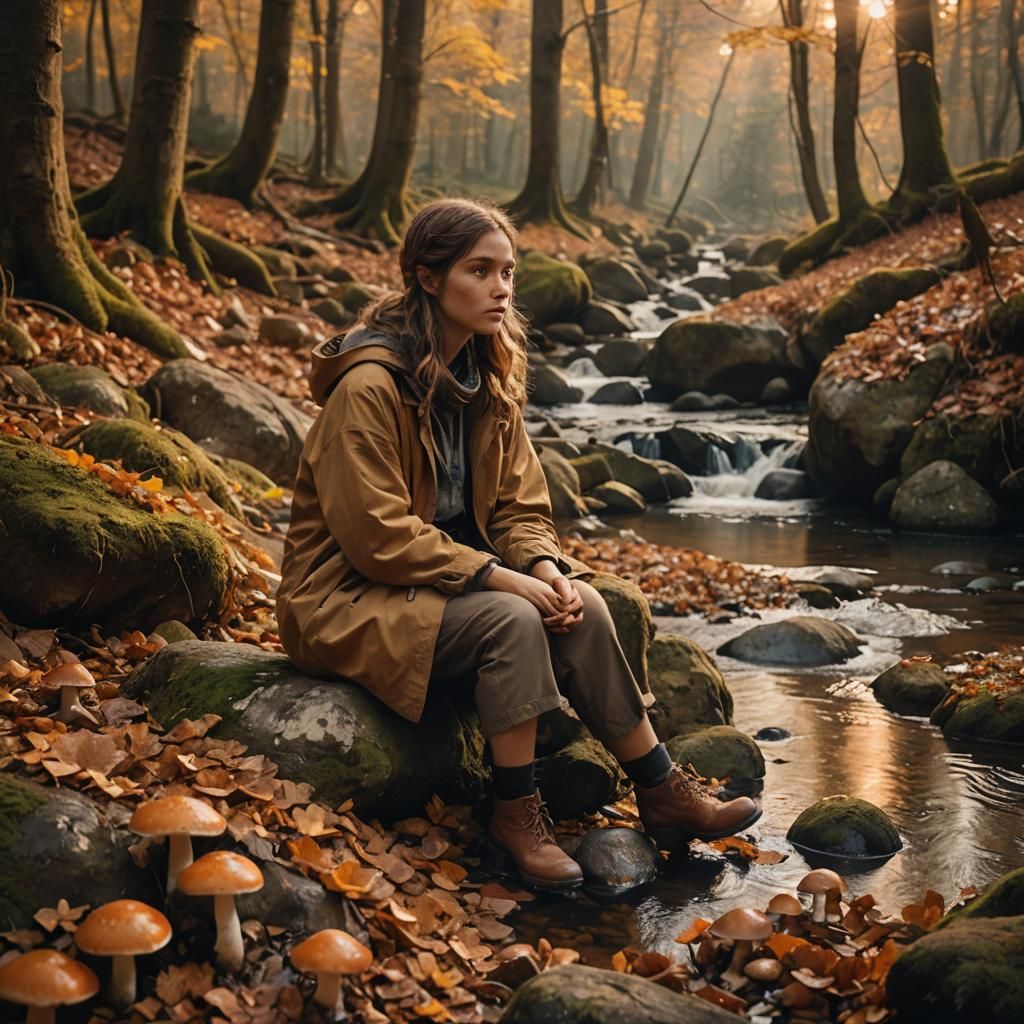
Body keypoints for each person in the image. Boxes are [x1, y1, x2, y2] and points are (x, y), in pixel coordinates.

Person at [276, 198, 760, 892]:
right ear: (427, 277)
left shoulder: (485, 380)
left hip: (435, 588)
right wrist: (501, 580)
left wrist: (540, 566)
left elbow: (520, 506)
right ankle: (516, 814)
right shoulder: (369, 388)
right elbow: (374, 536)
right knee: (512, 618)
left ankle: (661, 790)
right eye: (481, 270)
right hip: (345, 599)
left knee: (584, 603)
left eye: (508, 271)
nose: (502, 287)